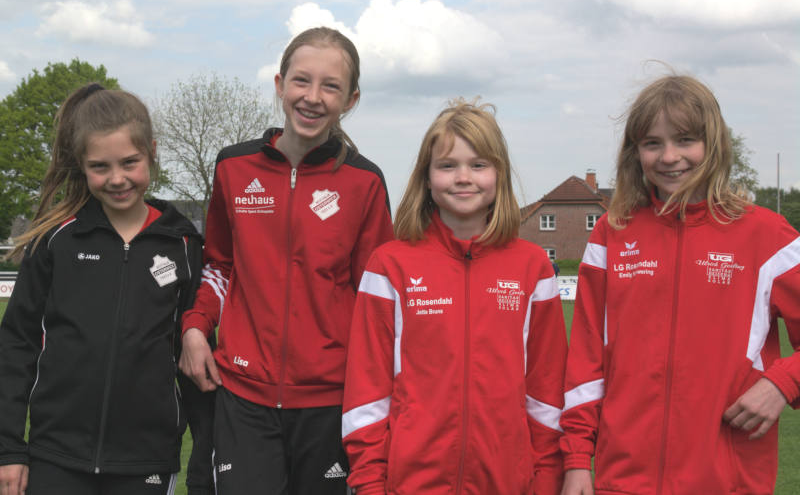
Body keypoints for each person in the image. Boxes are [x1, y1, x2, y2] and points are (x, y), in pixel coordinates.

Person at [560, 74, 800, 495]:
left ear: (713, 144)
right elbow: (585, 361)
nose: (670, 156)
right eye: (653, 143)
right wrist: (579, 458)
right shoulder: (611, 234)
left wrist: (783, 383)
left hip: (729, 480)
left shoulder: (768, 236)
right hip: (624, 480)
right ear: (636, 152)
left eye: (685, 139)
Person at [179, 26, 394, 494]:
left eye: (330, 86)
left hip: (330, 403)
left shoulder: (365, 183)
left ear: (350, 99)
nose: (313, 97)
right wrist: (196, 327)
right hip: (242, 397)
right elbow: (220, 265)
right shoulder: (233, 168)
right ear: (280, 85)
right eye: (301, 81)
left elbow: (375, 300)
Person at [342, 99, 567, 494]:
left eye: (478, 165)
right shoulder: (389, 265)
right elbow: (366, 392)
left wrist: (547, 479)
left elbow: (546, 393)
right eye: (447, 166)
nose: (463, 177)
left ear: (499, 175)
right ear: (426, 178)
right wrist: (369, 483)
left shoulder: (533, 268)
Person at [0, 83, 213, 495]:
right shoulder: (56, 241)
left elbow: (192, 360)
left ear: (151, 151)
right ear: (81, 164)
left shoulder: (183, 245)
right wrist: (9, 448)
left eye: (130, 162)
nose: (117, 179)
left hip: (146, 461)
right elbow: (17, 346)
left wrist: (203, 462)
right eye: (100, 166)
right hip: (55, 456)